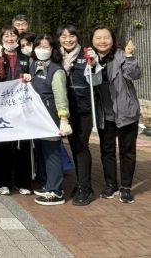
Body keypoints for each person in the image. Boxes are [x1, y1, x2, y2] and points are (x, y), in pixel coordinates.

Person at [91, 26, 141, 204]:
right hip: (104, 114)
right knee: (107, 151)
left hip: (126, 111)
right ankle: (111, 185)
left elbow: (135, 74)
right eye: (98, 38)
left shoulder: (121, 56)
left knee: (127, 151)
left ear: (113, 39)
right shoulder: (90, 58)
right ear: (92, 41)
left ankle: (126, 187)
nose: (102, 41)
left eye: (106, 37)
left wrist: (129, 56)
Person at [30, 34, 71, 206]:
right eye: (39, 47)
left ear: (53, 49)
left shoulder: (56, 70)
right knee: (42, 151)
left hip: (50, 116)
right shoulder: (35, 65)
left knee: (52, 153)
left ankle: (56, 191)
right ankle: (48, 185)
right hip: (37, 116)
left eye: (46, 47)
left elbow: (61, 97)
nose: (42, 50)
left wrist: (63, 118)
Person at [0, 26, 32, 196]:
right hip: (2, 107)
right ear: (1, 38)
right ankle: (2, 182)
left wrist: (29, 78)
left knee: (22, 145)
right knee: (2, 146)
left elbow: (32, 77)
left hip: (22, 108)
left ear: (18, 38)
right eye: (6, 36)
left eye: (13, 35)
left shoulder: (26, 57)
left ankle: (23, 182)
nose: (10, 39)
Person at [57, 23, 95, 206]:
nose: (68, 40)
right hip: (65, 110)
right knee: (73, 146)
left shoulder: (87, 55)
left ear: (77, 37)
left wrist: (93, 64)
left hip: (83, 109)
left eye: (71, 36)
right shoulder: (56, 56)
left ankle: (85, 188)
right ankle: (81, 183)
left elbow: (96, 78)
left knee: (81, 146)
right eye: (63, 36)